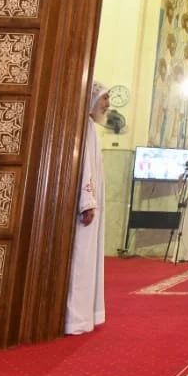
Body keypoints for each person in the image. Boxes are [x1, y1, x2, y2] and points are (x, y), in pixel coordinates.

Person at [67, 82, 108, 335]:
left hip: (90, 203)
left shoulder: (92, 127)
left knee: (88, 259)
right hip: (86, 205)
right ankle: (76, 319)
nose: (108, 103)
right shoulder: (84, 128)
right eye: (105, 98)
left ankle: (86, 315)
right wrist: (87, 201)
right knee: (80, 261)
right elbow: (84, 167)